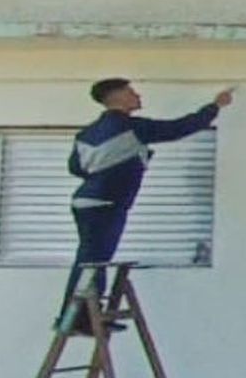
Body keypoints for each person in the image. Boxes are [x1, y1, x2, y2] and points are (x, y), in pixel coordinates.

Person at [58, 79, 234, 334]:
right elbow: (178, 128)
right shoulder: (130, 127)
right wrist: (215, 106)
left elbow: (76, 168)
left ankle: (83, 315)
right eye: (131, 92)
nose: (137, 96)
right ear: (117, 97)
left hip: (86, 199)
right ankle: (78, 318)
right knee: (93, 259)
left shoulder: (86, 134)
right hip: (107, 201)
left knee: (90, 257)